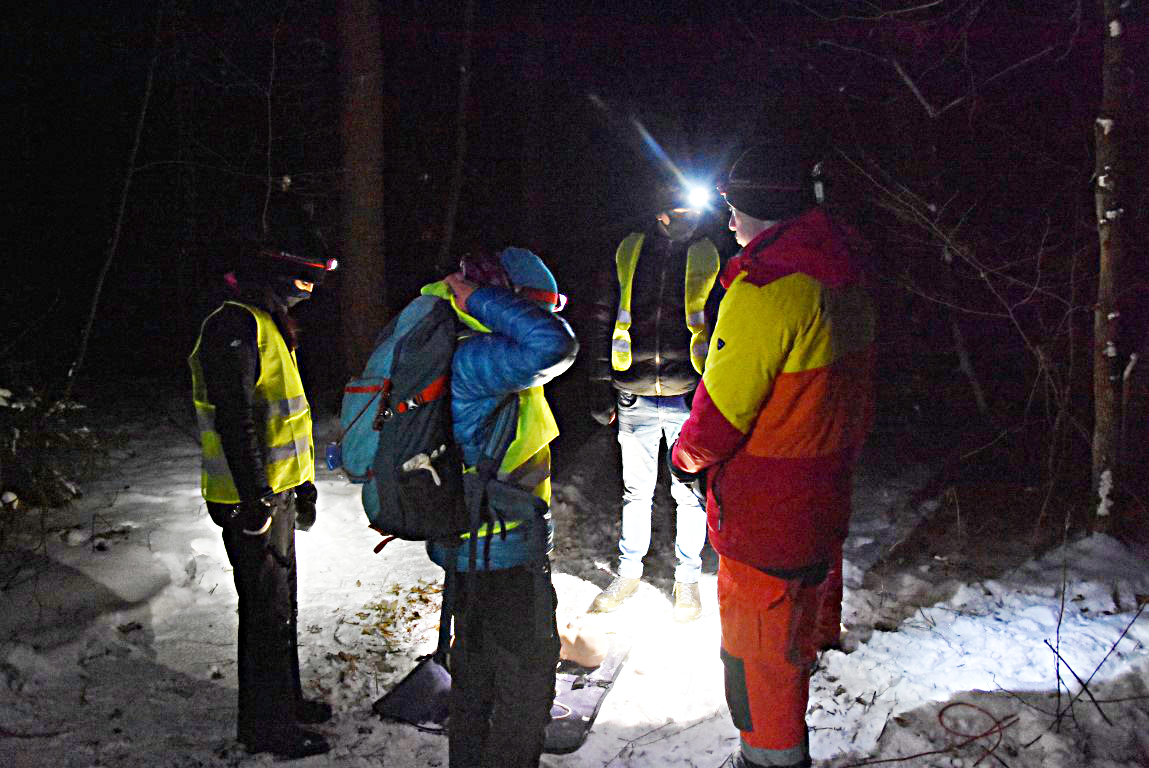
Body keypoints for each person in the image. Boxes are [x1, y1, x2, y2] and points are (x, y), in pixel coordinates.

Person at [669, 142, 875, 768]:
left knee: (756, 654)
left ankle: (769, 762)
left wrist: (685, 459)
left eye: (733, 205)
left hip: (767, 504)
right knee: (793, 638)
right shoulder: (842, 271)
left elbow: (721, 416)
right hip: (823, 487)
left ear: (759, 207)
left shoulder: (767, 287)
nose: (728, 220)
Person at [188, 198, 337, 758]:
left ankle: (285, 701)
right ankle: (266, 727)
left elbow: (284, 417)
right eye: (306, 278)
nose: (312, 290)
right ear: (274, 272)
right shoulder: (233, 324)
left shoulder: (267, 321)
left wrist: (301, 485)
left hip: (274, 495)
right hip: (246, 499)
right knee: (263, 611)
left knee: (282, 605)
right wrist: (254, 497)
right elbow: (236, 416)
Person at [424, 247, 578, 768]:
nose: (543, 320)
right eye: (531, 309)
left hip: (474, 542)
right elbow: (554, 346)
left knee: (475, 670)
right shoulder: (475, 357)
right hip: (499, 547)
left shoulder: (458, 346)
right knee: (526, 674)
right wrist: (483, 299)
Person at [587, 198, 722, 622]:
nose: (687, 219)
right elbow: (602, 314)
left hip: (688, 393)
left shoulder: (712, 252)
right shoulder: (629, 249)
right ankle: (627, 574)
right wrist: (597, 384)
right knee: (636, 492)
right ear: (660, 211)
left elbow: (723, 321)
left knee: (689, 495)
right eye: (678, 210)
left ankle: (687, 580)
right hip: (634, 392)